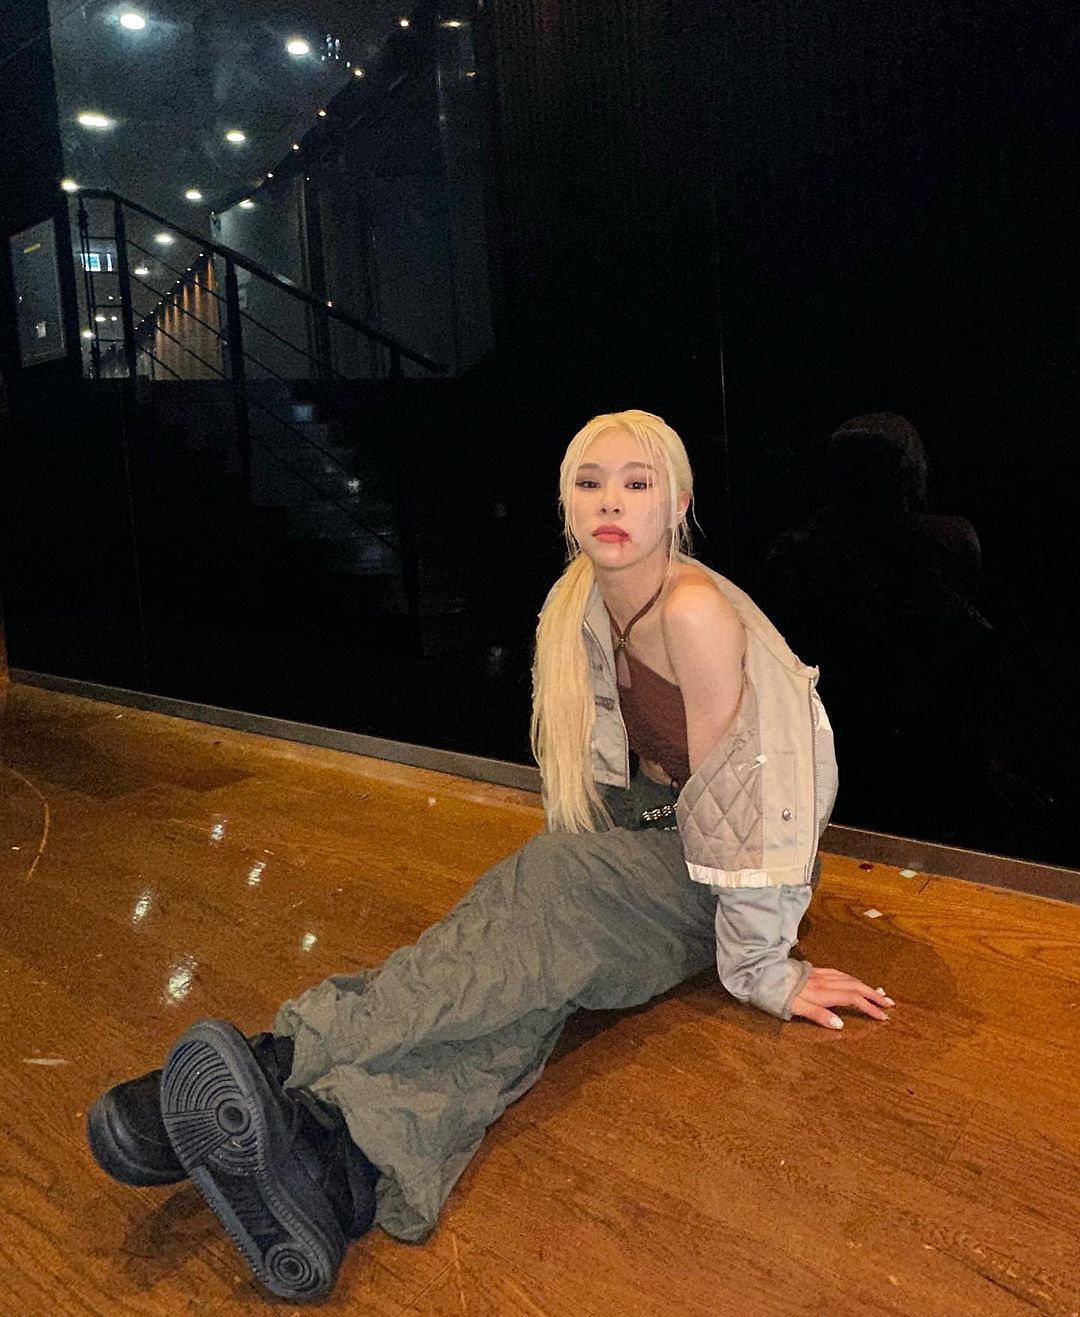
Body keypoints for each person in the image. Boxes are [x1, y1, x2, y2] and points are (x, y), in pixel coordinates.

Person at [87, 410, 893, 1303]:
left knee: (543, 892)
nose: (611, 502)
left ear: (678, 504)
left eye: (637, 483)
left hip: (735, 872)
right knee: (517, 968)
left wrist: (765, 968)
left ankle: (284, 1062)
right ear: (566, 502)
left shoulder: (692, 610)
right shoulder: (583, 601)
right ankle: (334, 1154)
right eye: (590, 482)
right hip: (655, 828)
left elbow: (751, 809)